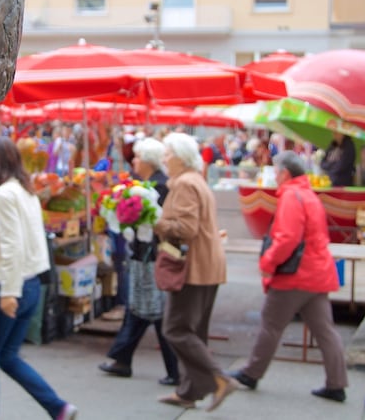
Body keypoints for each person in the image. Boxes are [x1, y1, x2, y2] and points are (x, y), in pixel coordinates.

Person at [230, 151, 349, 403]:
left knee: (271, 325)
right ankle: (336, 383)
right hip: (316, 272)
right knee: (325, 330)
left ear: (284, 173)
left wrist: (267, 263)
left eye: (275, 171)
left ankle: (252, 372)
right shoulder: (308, 195)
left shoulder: (291, 197)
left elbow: (287, 238)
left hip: (296, 274)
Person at [0, 136, 77, 420]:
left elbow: (12, 245)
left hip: (11, 285)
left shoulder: (7, 194)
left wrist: (9, 292)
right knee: (6, 356)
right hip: (29, 284)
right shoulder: (24, 191)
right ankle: (58, 407)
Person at [152, 132, 236, 412]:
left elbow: (186, 230)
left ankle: (218, 378)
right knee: (194, 331)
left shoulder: (186, 184)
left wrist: (156, 222)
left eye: (167, 154)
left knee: (176, 329)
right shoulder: (194, 180)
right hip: (206, 264)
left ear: (180, 157)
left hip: (193, 267)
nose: (164, 160)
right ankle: (190, 390)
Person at [98, 137, 180, 386]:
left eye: (137, 157)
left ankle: (174, 369)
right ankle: (122, 358)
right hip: (144, 255)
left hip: (151, 256)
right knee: (142, 310)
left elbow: (157, 223)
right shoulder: (147, 184)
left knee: (153, 312)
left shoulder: (158, 186)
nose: (133, 161)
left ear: (147, 160)